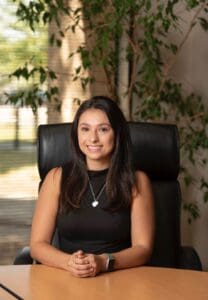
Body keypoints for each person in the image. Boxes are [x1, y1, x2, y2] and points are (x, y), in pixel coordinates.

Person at [30, 96, 154, 277]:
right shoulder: (56, 178)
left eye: (103, 129)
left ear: (117, 133)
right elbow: (37, 245)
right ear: (76, 134)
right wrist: (70, 263)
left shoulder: (136, 180)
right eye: (85, 129)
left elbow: (143, 248)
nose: (93, 138)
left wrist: (104, 262)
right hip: (66, 277)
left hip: (119, 278)